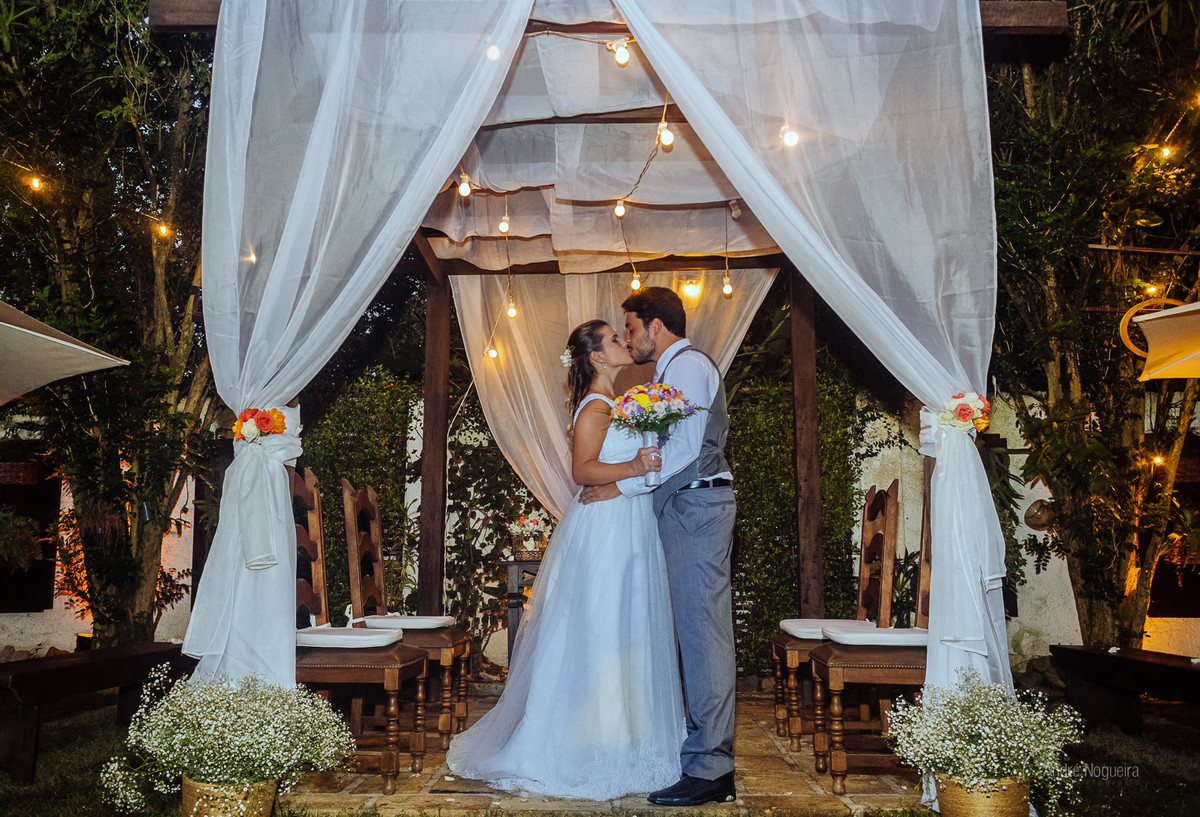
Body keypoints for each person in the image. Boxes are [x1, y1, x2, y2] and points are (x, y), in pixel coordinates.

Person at [446, 319, 685, 800]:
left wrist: (636, 469)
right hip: (606, 529)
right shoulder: (596, 405)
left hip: (629, 521)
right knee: (603, 624)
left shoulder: (617, 402)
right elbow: (582, 469)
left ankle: (625, 733)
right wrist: (635, 466)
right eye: (614, 339)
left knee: (628, 625)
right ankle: (588, 737)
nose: (623, 342)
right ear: (596, 356)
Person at [580, 286, 738, 807]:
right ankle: (704, 756)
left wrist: (619, 486)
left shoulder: (688, 367)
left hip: (696, 505)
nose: (628, 339)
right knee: (692, 631)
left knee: (702, 633)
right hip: (684, 507)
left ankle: (710, 768)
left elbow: (686, 448)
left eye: (631, 328)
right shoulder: (668, 373)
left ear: (655, 326)